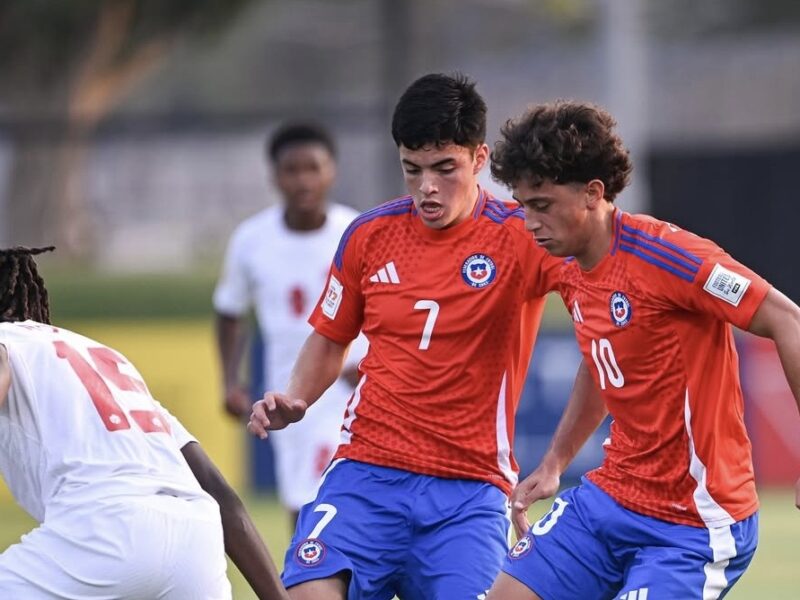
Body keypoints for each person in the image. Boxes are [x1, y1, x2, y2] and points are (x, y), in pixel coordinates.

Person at [247, 73, 582, 600]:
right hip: (367, 472)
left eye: (444, 168)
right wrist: (297, 398)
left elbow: (602, 289)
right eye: (412, 169)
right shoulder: (369, 235)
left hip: (469, 489)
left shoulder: (521, 235)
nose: (427, 186)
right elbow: (330, 338)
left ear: (478, 158)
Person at [487, 100, 800, 600]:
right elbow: (600, 363)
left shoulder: (670, 257)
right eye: (523, 205)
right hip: (612, 498)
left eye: (541, 205)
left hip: (695, 522)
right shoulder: (568, 266)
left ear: (593, 194)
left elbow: (787, 319)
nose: (529, 223)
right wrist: (553, 462)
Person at [0, 246, 289, 600]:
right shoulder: (102, 357)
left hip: (102, 531)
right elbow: (220, 493)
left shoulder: (8, 341)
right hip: (194, 537)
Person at [213, 122, 367, 525]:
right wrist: (230, 381)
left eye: (312, 168)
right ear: (274, 176)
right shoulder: (251, 239)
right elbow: (230, 311)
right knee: (302, 500)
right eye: (291, 170)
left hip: (358, 383)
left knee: (356, 494)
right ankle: (306, 577)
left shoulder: (357, 231)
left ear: (331, 171)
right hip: (295, 392)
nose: (303, 180)